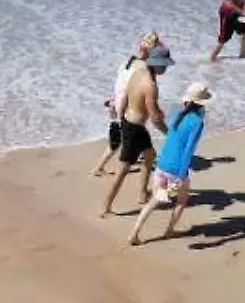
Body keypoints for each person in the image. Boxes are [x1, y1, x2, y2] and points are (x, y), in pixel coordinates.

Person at [127, 82, 213, 246]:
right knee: (182, 200)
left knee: (154, 201)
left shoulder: (177, 113)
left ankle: (134, 233)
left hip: (162, 163)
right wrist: (181, 175)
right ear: (202, 103)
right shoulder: (197, 122)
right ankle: (169, 230)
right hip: (176, 169)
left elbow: (171, 138)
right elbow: (188, 150)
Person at [102, 44, 173, 216]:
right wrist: (170, 134)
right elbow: (155, 119)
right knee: (123, 169)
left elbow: (127, 96)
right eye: (163, 64)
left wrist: (122, 118)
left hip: (130, 122)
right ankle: (106, 207)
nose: (166, 67)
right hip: (134, 129)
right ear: (155, 63)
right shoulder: (151, 85)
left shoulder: (138, 72)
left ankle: (142, 193)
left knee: (150, 155)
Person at [91, 32, 162, 177]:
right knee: (119, 142)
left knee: (123, 139)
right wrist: (122, 113)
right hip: (125, 109)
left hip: (117, 103)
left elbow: (120, 86)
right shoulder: (143, 69)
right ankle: (99, 168)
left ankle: (137, 158)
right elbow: (129, 92)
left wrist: (114, 102)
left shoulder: (127, 62)